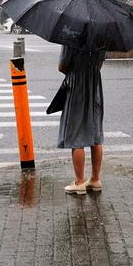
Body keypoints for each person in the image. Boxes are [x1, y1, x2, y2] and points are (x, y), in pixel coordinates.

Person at [57, 45, 105, 194]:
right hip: (94, 84)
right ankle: (95, 179)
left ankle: (79, 182)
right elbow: (100, 64)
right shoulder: (102, 37)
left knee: (76, 134)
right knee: (95, 133)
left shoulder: (71, 37)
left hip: (76, 84)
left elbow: (62, 66)